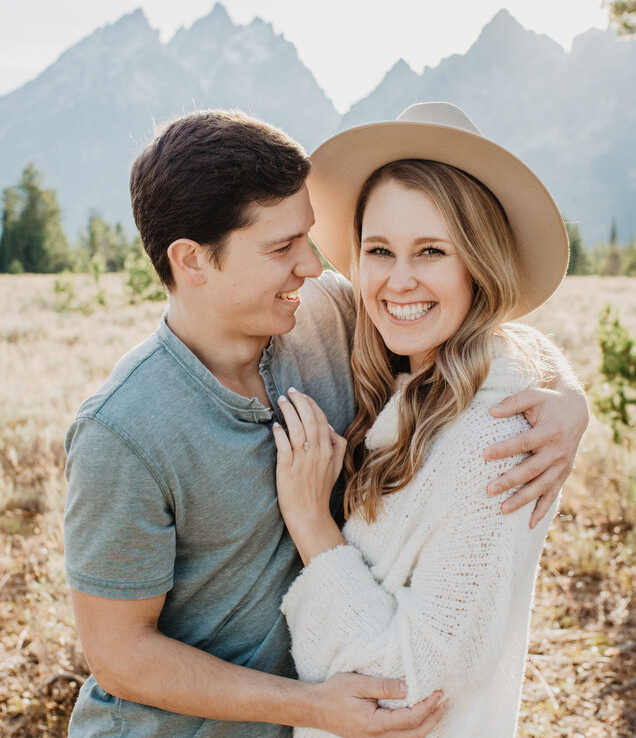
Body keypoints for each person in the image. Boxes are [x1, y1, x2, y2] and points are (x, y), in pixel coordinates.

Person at [62, 109, 588, 738]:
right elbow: (121, 659)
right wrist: (307, 706)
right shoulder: (122, 434)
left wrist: (567, 395)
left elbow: (462, 316)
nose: (313, 265)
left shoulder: (326, 318)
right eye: (281, 248)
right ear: (193, 260)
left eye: (306, 238)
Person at [273, 102, 571, 738]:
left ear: (478, 262)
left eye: (432, 250)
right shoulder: (410, 379)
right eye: (379, 250)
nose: (398, 281)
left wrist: (309, 522)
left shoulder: (496, 440)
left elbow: (407, 688)